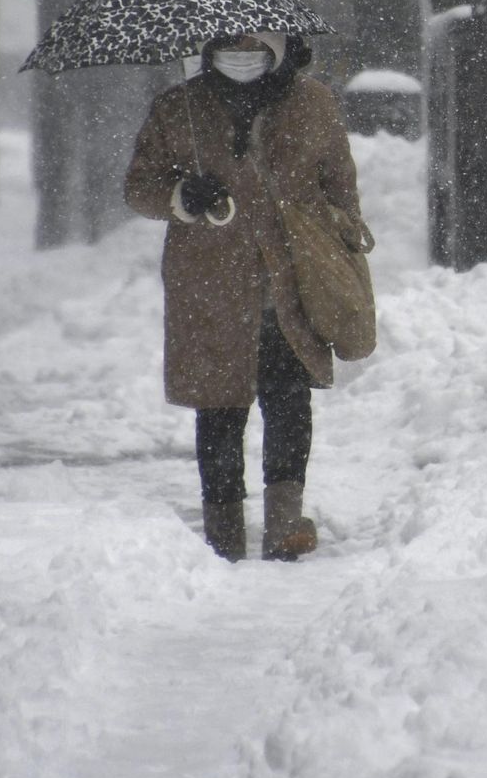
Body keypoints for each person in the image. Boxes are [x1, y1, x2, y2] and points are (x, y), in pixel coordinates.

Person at [123, 29, 370, 562]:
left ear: (282, 44)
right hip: (207, 280)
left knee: (288, 398)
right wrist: (182, 196)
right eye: (228, 46)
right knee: (218, 405)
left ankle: (284, 523)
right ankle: (222, 532)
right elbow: (138, 186)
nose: (241, 56)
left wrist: (339, 241)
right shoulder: (178, 108)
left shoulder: (314, 104)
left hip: (290, 276)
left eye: (253, 46)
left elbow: (340, 186)